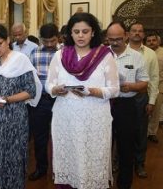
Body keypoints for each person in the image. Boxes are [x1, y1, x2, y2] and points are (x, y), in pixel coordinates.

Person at [45, 13, 120, 189]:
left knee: (92, 157)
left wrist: (91, 91)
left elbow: (115, 89)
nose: (80, 35)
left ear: (93, 33)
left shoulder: (104, 55)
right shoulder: (60, 55)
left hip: (94, 119)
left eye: (85, 31)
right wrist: (56, 89)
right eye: (76, 31)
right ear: (70, 33)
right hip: (65, 117)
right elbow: (49, 84)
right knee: (69, 156)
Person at [0, 24, 42, 189]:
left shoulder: (20, 60)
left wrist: (7, 99)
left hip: (13, 118)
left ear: (8, 40)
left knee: (11, 159)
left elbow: (30, 91)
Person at [106, 21, 148, 189]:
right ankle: (103, 181)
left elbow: (144, 83)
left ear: (126, 36)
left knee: (126, 147)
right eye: (111, 39)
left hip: (126, 105)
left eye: (118, 38)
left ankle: (124, 184)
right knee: (103, 145)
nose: (114, 42)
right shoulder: (102, 55)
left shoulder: (137, 57)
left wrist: (130, 86)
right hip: (104, 104)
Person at [128, 22, 159, 178]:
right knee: (120, 132)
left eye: (140, 31)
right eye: (134, 31)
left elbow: (154, 79)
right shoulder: (120, 51)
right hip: (121, 98)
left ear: (143, 35)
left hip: (141, 97)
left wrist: (151, 101)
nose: (137, 33)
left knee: (141, 133)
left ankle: (139, 163)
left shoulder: (150, 54)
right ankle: (118, 161)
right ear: (128, 34)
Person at [28, 23, 59, 181]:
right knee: (40, 137)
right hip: (40, 101)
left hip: (60, 101)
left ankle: (59, 171)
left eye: (52, 41)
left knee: (59, 137)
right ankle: (41, 168)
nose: (49, 45)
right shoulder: (34, 53)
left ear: (58, 37)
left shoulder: (64, 53)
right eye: (45, 41)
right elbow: (29, 78)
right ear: (40, 39)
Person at [145, 33, 163, 131]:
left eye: (154, 40)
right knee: (144, 110)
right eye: (149, 41)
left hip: (160, 86)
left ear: (158, 41)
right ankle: (143, 131)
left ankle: (152, 133)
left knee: (155, 112)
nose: (151, 42)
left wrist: (155, 80)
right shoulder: (144, 52)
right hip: (144, 87)